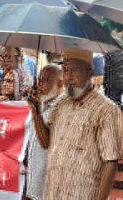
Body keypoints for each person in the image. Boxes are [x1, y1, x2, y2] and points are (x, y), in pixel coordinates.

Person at [31, 48, 119, 200]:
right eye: (65, 71)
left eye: (75, 71)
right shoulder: (61, 103)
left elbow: (110, 161)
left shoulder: (106, 110)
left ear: (90, 73)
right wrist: (36, 111)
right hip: (53, 193)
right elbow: (46, 143)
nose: (68, 77)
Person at [26, 65, 63, 200]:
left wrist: (36, 111)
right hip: (33, 174)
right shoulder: (43, 102)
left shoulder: (62, 107)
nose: (40, 85)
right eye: (39, 80)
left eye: (46, 80)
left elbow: (46, 142)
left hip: (49, 178)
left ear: (60, 83)